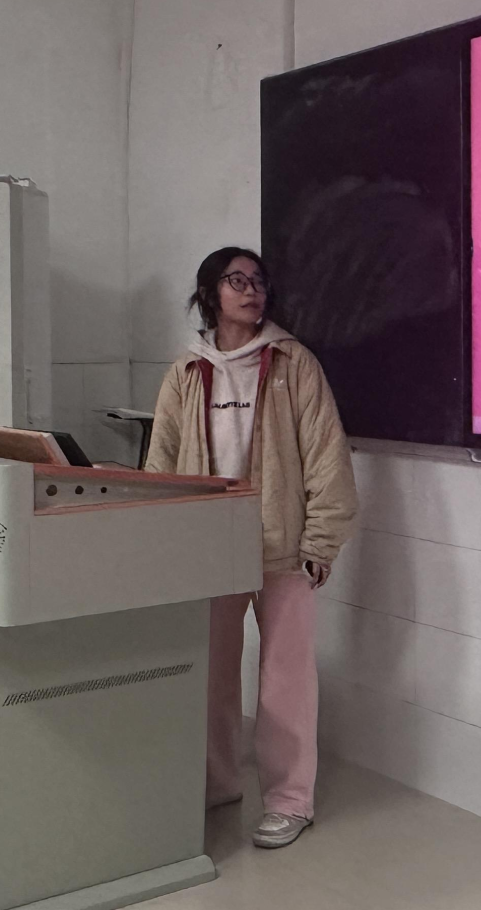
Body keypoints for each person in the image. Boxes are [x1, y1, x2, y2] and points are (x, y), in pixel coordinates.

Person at [146, 247, 356, 849]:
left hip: (283, 543)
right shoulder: (187, 371)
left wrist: (322, 538)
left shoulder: (293, 363)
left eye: (258, 281)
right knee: (209, 670)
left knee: (286, 677)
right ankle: (216, 784)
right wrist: (162, 539)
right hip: (209, 544)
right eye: (236, 280)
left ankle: (290, 800)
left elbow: (327, 455)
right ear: (209, 293)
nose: (251, 290)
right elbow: (161, 461)